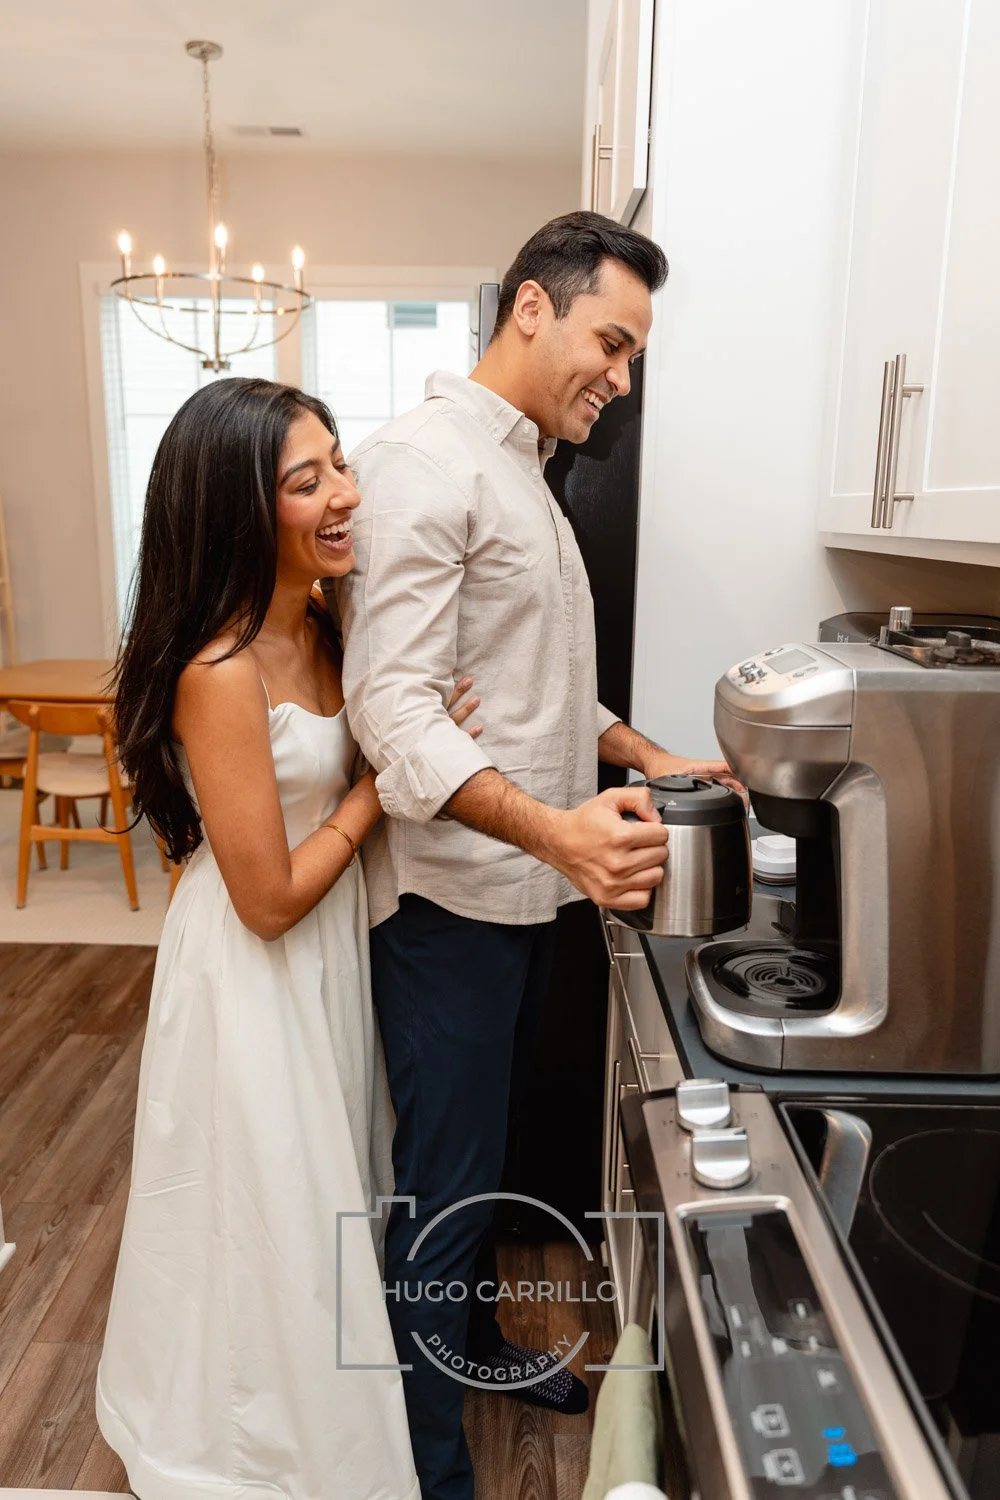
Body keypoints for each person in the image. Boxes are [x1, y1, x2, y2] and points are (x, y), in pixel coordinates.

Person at [335, 210, 738, 1500]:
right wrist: (561, 830)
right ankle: (429, 1468)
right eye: (609, 343)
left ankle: (474, 1349)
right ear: (530, 307)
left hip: (519, 896)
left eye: (631, 356)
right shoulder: (421, 465)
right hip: (449, 904)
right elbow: (390, 711)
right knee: (443, 1192)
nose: (617, 378)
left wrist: (645, 754)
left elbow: (539, 689)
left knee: (486, 1174)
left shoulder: (526, 471)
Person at [96, 378, 482, 1500]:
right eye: (304, 481)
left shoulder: (319, 622)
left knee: (324, 1190)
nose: (344, 496)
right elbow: (264, 895)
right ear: (233, 508)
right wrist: (382, 784)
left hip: (326, 950)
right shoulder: (218, 672)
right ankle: (255, 1443)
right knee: (262, 1203)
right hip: (254, 960)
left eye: (340, 465)